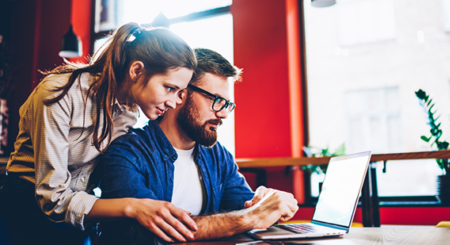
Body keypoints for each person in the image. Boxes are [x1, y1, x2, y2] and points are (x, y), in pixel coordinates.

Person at [0, 22, 199, 245]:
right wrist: (134, 206)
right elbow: (52, 199)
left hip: (77, 218)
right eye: (169, 88)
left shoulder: (131, 112)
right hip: (23, 210)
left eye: (179, 92)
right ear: (136, 70)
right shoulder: (59, 94)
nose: (173, 102)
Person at [98, 48, 299, 244]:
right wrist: (251, 217)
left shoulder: (217, 155)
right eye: (216, 100)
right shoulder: (126, 152)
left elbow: (248, 208)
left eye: (227, 104)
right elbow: (147, 234)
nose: (223, 114)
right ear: (180, 93)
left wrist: (269, 203)